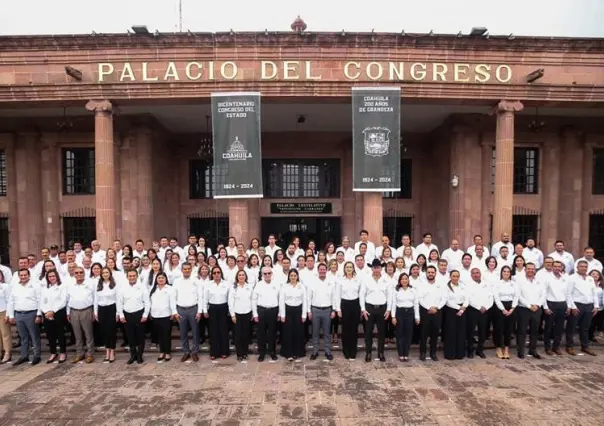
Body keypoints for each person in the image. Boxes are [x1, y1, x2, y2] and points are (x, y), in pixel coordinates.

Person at [8, 269, 42, 366]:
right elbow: (11, 301)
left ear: (29, 275)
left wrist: (39, 314)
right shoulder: (15, 286)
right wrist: (11, 315)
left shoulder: (35, 285)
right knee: (23, 337)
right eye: (21, 275)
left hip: (31, 313)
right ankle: (24, 356)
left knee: (34, 336)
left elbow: (39, 300)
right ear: (18, 276)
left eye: (25, 275)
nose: (23, 277)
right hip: (18, 314)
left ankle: (37, 355)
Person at [360, 259, 392, 362]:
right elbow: (362, 295)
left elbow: (390, 296)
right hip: (369, 308)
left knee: (381, 332)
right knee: (368, 332)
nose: (376, 269)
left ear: (381, 268)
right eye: (374, 267)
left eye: (378, 267)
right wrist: (363, 309)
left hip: (382, 309)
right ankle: (368, 352)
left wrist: (389, 309)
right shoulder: (366, 279)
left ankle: (381, 352)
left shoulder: (386, 280)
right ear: (371, 268)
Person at [565, 260, 599, 356]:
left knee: (585, 328)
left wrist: (596, 306)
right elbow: (568, 293)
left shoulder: (590, 278)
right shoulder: (571, 278)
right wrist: (573, 306)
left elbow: (594, 293)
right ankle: (569, 346)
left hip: (589, 306)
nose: (584, 268)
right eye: (582, 266)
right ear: (577, 267)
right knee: (571, 327)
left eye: (585, 266)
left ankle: (585, 346)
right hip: (577, 305)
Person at [118, 269, 150, 364]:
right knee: (130, 336)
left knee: (140, 336)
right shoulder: (122, 288)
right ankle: (133, 355)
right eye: (130, 276)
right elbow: (119, 302)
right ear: (127, 277)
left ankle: (139, 355)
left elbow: (147, 302)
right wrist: (121, 314)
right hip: (127, 314)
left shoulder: (142, 287)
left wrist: (145, 314)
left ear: (137, 276)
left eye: (133, 276)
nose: (132, 277)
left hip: (139, 313)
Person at [173, 263, 203, 363]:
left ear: (191, 269)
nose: (186, 270)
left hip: (193, 309)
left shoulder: (196, 280)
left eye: (188, 269)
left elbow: (200, 296)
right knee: (183, 332)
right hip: (181, 309)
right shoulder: (177, 281)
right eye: (184, 269)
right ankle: (186, 352)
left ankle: (194, 351)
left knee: (195, 332)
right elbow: (173, 297)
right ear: (181, 270)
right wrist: (174, 312)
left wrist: (199, 311)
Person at [307, 263, 337, 361]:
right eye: (321, 269)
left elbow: (334, 296)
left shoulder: (330, 282)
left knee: (327, 332)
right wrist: (309, 311)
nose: (322, 271)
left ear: (326, 270)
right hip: (315, 310)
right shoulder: (313, 282)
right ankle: (315, 351)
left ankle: (327, 351)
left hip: (327, 310)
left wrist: (333, 310)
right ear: (318, 270)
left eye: (324, 269)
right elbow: (309, 297)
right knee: (315, 332)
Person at [67, 266, 96, 364]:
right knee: (77, 334)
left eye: (81, 272)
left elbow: (95, 298)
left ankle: (90, 353)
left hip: (86, 310)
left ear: (84, 273)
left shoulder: (90, 284)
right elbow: (67, 299)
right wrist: (68, 312)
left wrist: (94, 312)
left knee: (88, 334)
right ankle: (79, 353)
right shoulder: (70, 285)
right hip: (74, 311)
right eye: (76, 273)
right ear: (74, 274)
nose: (79, 274)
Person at [515, 263, 545, 359]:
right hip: (524, 309)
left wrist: (538, 305)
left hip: (537, 309)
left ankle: (533, 350)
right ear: (525, 270)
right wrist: (529, 305)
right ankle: (520, 351)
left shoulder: (540, 281)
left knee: (535, 331)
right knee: (522, 331)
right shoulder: (519, 281)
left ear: (535, 270)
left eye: (532, 269)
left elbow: (543, 295)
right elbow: (518, 296)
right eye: (528, 269)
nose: (530, 270)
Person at [417, 265, 446, 361]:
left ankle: (433, 353)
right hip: (425, 312)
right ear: (426, 273)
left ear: (435, 273)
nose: (430, 274)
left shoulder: (441, 284)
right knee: (423, 334)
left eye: (432, 272)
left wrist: (436, 308)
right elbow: (420, 298)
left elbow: (444, 298)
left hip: (437, 312)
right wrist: (429, 308)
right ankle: (422, 353)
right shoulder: (422, 285)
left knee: (435, 333)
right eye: (428, 272)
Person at [252, 266, 280, 362]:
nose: (267, 275)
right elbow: (254, 299)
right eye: (265, 273)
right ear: (262, 274)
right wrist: (255, 314)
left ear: (272, 274)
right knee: (261, 334)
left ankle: (272, 352)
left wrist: (280, 313)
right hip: (262, 311)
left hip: (273, 311)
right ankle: (262, 353)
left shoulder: (276, 284)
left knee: (272, 333)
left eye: (269, 273)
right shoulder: (258, 285)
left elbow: (280, 299)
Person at [40, 270, 68, 364]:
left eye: (53, 276)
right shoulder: (45, 288)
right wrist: (46, 312)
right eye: (50, 276)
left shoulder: (62, 287)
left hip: (58, 313)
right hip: (47, 314)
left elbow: (63, 301)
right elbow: (42, 302)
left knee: (60, 334)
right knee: (50, 334)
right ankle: (53, 352)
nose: (52, 278)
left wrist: (53, 311)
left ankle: (63, 352)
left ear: (57, 276)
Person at [279, 269, 307, 362]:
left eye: (295, 275)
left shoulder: (301, 286)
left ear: (297, 276)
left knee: (298, 332)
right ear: (289, 277)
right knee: (288, 333)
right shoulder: (284, 286)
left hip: (298, 311)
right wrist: (282, 314)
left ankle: (298, 352)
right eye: (291, 275)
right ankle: (288, 353)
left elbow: (305, 301)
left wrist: (304, 315)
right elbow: (281, 301)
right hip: (288, 311)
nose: (293, 277)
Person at [465, 268, 493, 359]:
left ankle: (480, 350)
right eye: (474, 273)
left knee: (483, 332)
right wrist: (478, 307)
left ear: (480, 273)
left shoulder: (487, 284)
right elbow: (468, 298)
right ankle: (470, 350)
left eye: (478, 273)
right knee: (470, 331)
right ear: (471, 275)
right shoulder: (467, 285)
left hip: (485, 311)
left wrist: (486, 307)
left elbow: (490, 297)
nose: (476, 274)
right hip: (473, 310)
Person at [542, 261, 569, 356]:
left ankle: (556, 347)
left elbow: (568, 293)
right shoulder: (547, 278)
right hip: (551, 304)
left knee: (560, 328)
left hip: (562, 304)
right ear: (552, 267)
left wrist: (569, 306)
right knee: (548, 328)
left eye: (559, 266)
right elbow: (543, 293)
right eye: (555, 266)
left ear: (562, 268)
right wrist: (545, 307)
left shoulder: (565, 278)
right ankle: (547, 347)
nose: (557, 268)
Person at [335, 261, 361, 360]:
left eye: (350, 267)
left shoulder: (357, 280)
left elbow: (360, 294)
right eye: (347, 267)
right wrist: (338, 309)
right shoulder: (340, 280)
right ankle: (346, 350)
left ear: (353, 269)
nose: (349, 268)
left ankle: (353, 350)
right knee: (345, 330)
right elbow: (337, 296)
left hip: (355, 304)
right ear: (344, 269)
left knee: (354, 329)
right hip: (344, 305)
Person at [391, 273, 419, 362]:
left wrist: (417, 317)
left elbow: (416, 304)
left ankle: (406, 353)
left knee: (408, 334)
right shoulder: (396, 290)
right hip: (400, 312)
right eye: (402, 279)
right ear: (400, 280)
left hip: (410, 313)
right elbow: (393, 304)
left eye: (406, 279)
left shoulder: (413, 290)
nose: (404, 280)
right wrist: (393, 316)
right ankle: (400, 354)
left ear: (408, 280)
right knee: (400, 334)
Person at [204, 266, 230, 360]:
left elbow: (229, 298)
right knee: (213, 331)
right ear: (212, 274)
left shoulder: (226, 284)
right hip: (212, 308)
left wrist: (230, 310)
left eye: (218, 272)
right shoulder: (208, 284)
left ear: (221, 273)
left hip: (223, 308)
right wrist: (205, 310)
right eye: (214, 273)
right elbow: (205, 298)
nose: (216, 274)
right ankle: (214, 352)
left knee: (223, 331)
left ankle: (224, 351)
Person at [94, 267, 119, 363]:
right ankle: (107, 351)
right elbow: (95, 300)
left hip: (111, 309)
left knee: (111, 331)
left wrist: (117, 313)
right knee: (104, 331)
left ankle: (112, 351)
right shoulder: (98, 285)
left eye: (107, 272)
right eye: (103, 272)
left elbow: (118, 299)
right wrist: (96, 312)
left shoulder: (114, 285)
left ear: (110, 273)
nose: (105, 274)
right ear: (101, 274)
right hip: (101, 309)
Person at [492, 266, 517, 359]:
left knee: (509, 329)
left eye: (508, 271)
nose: (506, 273)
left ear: (510, 273)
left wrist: (512, 308)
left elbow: (516, 296)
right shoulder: (497, 283)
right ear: (501, 273)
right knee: (499, 328)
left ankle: (506, 348)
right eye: (504, 271)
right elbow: (496, 297)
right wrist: (503, 309)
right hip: (499, 307)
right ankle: (498, 348)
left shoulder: (514, 284)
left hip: (511, 307)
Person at [228, 270, 253, 362]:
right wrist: (232, 315)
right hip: (237, 314)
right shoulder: (233, 287)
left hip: (247, 313)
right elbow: (230, 302)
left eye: (243, 275)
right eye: (240, 275)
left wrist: (253, 313)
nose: (241, 276)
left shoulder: (249, 287)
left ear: (245, 276)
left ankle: (245, 352)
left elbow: (252, 300)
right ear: (237, 277)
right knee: (237, 335)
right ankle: (239, 354)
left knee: (246, 335)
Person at [443, 270, 468, 360]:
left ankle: (459, 354)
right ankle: (450, 354)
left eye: (457, 276)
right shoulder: (446, 287)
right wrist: (458, 308)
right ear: (450, 277)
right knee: (451, 332)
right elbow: (447, 301)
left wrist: (464, 307)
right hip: (451, 311)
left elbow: (467, 298)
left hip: (462, 310)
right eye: (453, 276)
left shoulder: (462, 286)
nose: (455, 278)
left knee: (461, 332)